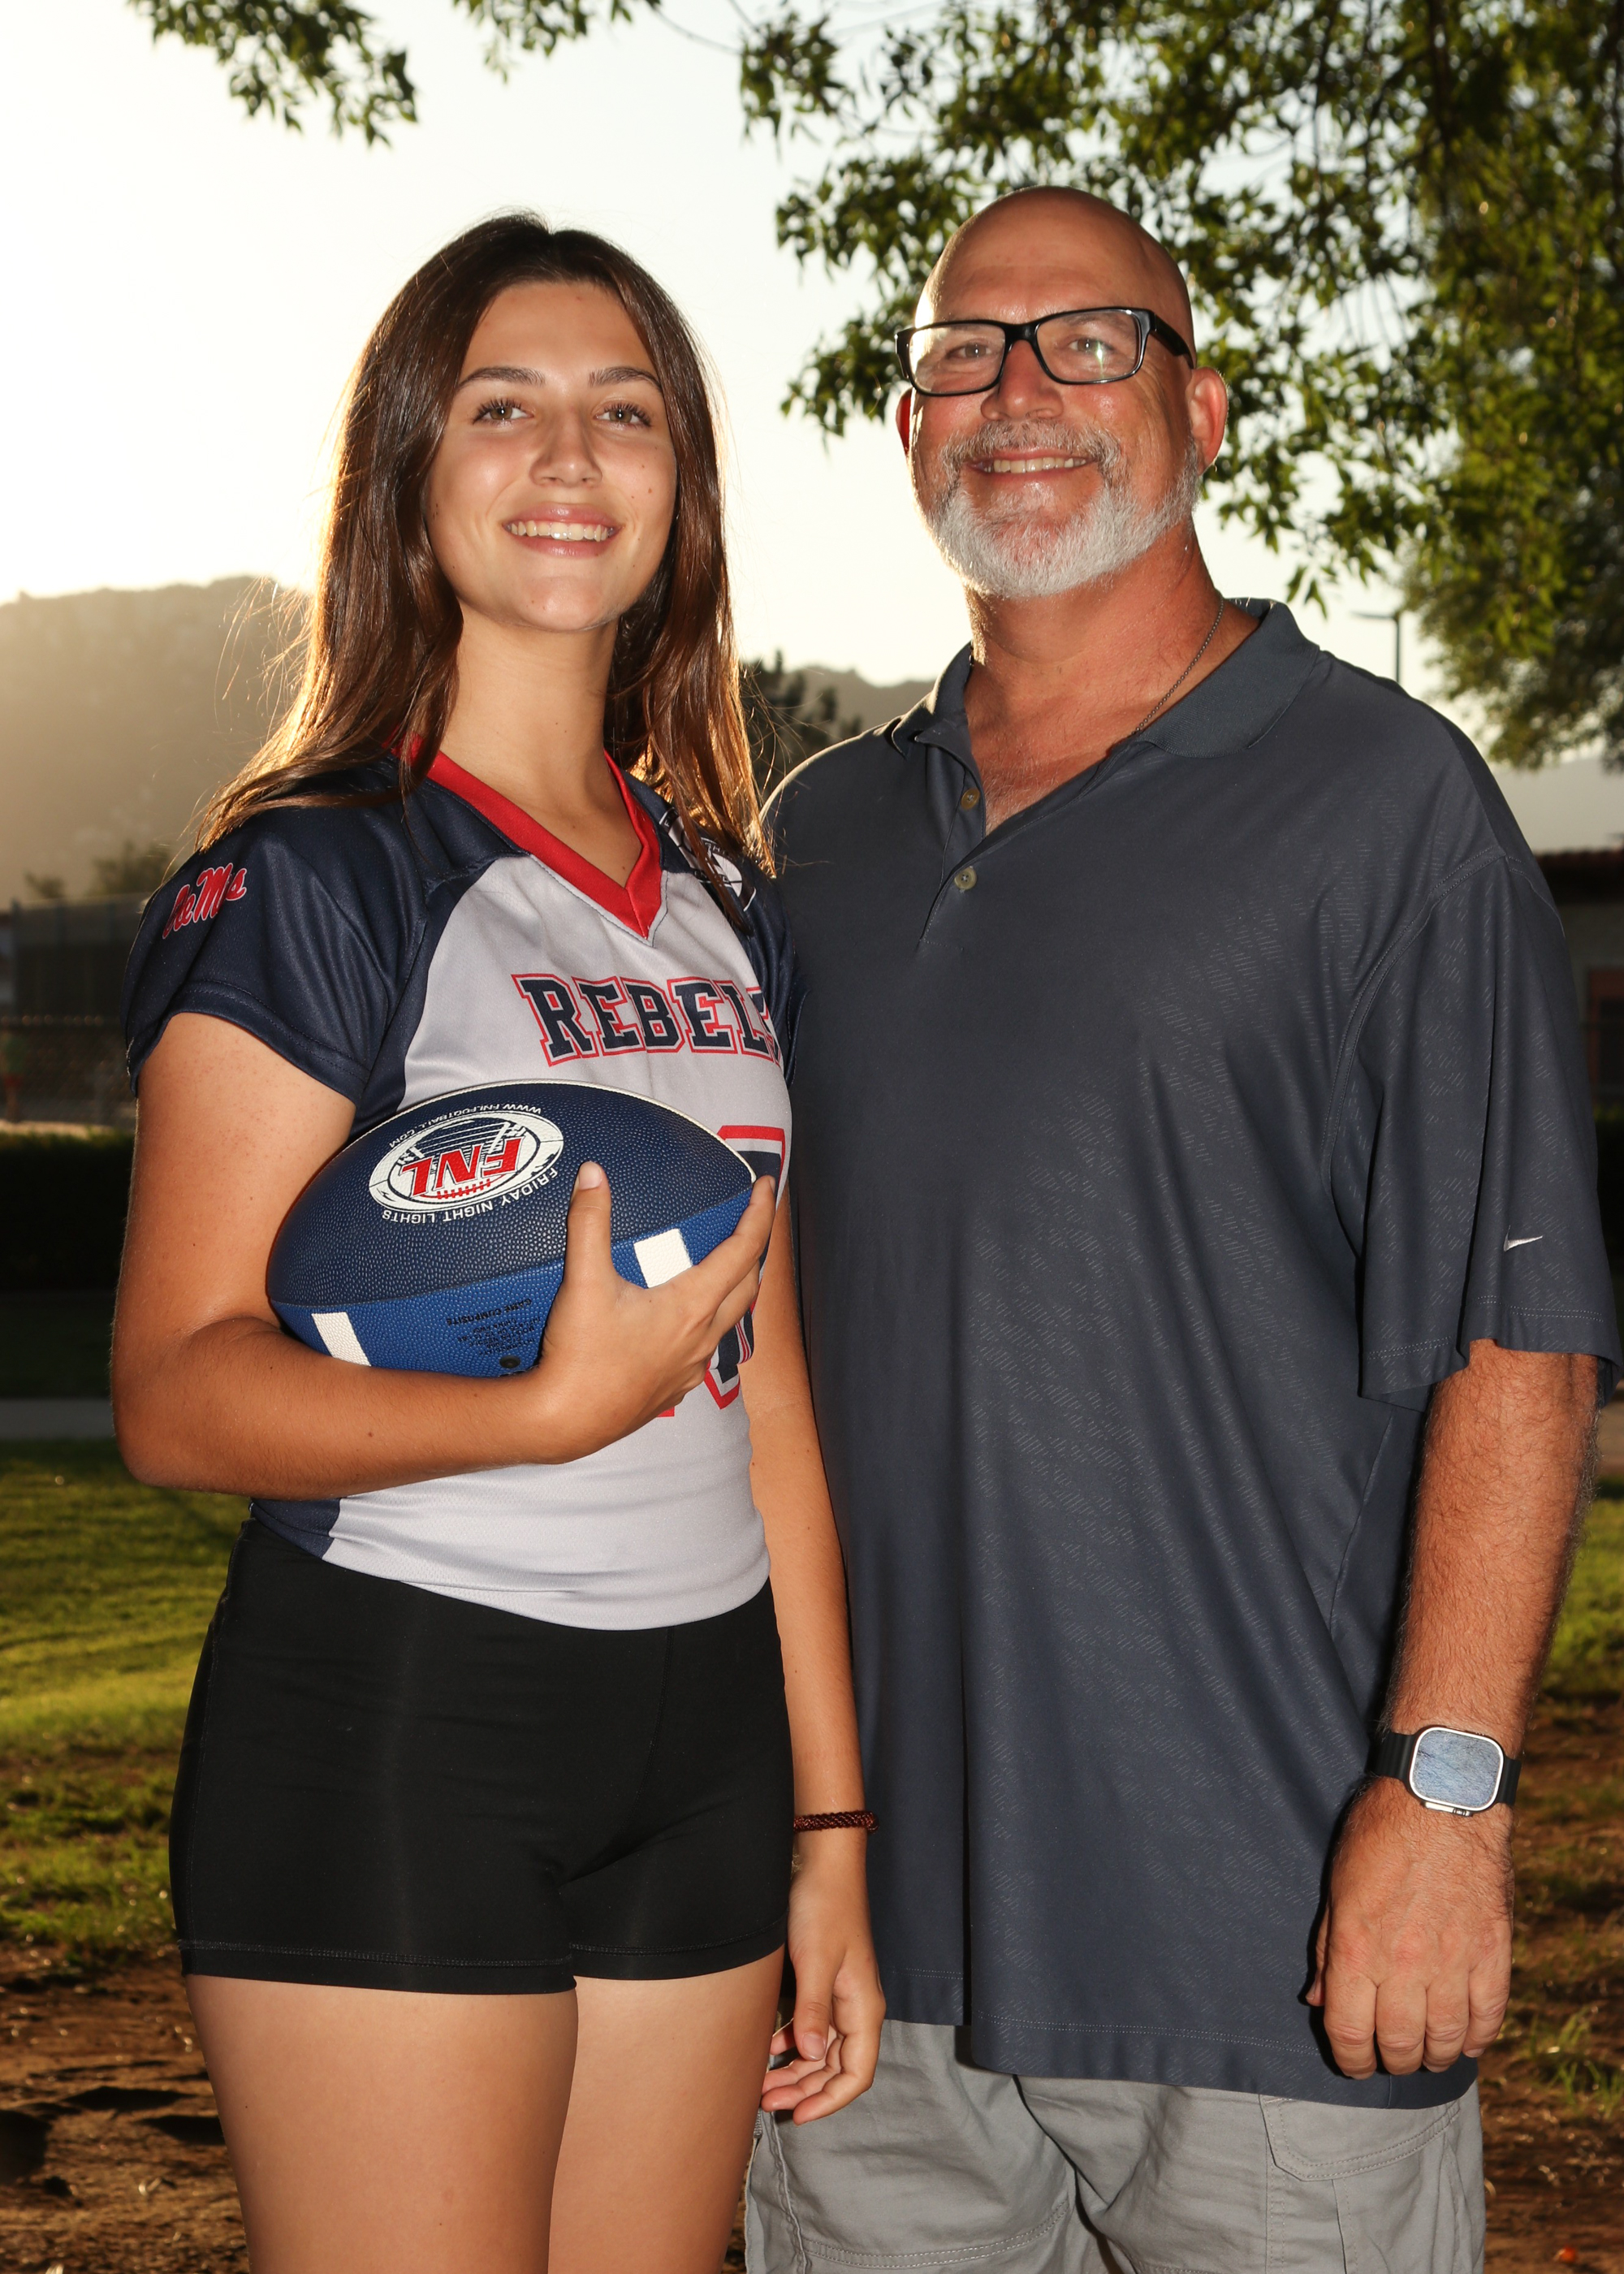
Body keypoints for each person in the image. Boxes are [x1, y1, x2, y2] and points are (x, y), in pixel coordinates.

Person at [746, 187, 1618, 2272]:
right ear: (907, 425)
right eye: (964, 351)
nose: (1018, 392)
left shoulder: (1386, 803)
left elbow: (1519, 1339)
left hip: (1265, 1934)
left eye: (1089, 339)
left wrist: (1446, 1796)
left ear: (1201, 409)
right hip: (866, 1958)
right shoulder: (816, 839)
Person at [111, 212, 882, 2274]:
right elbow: (177, 1389)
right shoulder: (318, 875)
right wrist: (539, 1412)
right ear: (409, 470)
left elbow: (769, 1397)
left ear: (680, 485)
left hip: (708, 1740)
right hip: (404, 1713)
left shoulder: (728, 897)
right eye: (501, 407)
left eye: (624, 412)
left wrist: (829, 1822)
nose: (567, 456)